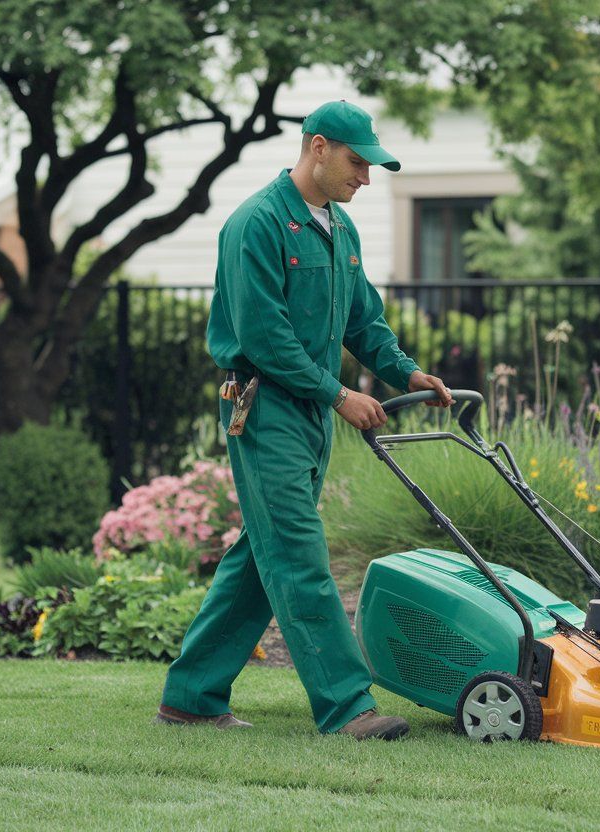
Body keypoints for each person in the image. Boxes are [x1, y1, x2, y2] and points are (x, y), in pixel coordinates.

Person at [157, 100, 454, 740]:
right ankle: (349, 707)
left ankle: (191, 696)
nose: (366, 179)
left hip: (307, 414)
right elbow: (266, 339)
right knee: (297, 555)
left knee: (260, 557)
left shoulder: (338, 231)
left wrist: (407, 373)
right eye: (356, 162)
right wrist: (339, 394)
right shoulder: (255, 225)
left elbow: (363, 322)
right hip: (262, 409)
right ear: (317, 147)